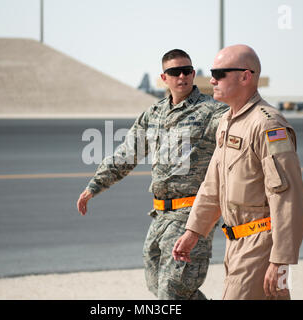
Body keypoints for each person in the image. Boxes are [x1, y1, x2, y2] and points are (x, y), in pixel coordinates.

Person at [77, 49, 229, 300]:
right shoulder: (154, 114)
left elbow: (240, 138)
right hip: (160, 214)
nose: (182, 76)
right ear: (164, 77)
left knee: (172, 292)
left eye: (187, 71)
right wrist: (94, 186)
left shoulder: (212, 111)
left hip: (191, 214)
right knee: (158, 284)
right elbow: (127, 154)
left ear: (193, 74)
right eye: (174, 72)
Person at [172, 44, 303, 300]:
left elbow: (289, 197)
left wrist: (280, 260)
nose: (212, 79)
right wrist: (193, 232)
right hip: (236, 242)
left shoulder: (268, 124)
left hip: (262, 245)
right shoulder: (227, 121)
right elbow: (213, 184)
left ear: (245, 76)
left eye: (219, 73)